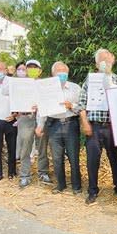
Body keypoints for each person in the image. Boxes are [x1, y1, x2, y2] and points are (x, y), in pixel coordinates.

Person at [79, 48, 117, 204]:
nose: (105, 63)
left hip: (112, 127)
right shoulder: (90, 80)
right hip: (94, 127)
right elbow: (81, 104)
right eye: (101, 61)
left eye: (108, 59)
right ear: (97, 64)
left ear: (113, 60)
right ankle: (92, 190)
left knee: (115, 159)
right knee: (92, 160)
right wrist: (85, 122)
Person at [36, 62, 82, 195]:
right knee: (57, 158)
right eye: (58, 71)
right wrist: (40, 125)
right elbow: (42, 109)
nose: (61, 73)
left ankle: (76, 186)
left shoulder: (75, 88)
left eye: (64, 70)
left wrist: (71, 105)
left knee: (73, 157)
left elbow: (82, 107)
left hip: (70, 124)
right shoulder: (45, 88)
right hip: (53, 125)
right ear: (52, 73)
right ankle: (60, 184)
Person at [15, 59, 52, 188]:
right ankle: (25, 175)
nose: (32, 70)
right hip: (25, 118)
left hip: (41, 117)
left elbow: (48, 102)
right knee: (25, 147)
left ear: (40, 70)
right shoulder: (19, 85)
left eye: (34, 67)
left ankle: (43, 172)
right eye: (29, 68)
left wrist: (40, 107)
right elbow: (5, 92)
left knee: (42, 147)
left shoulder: (45, 85)